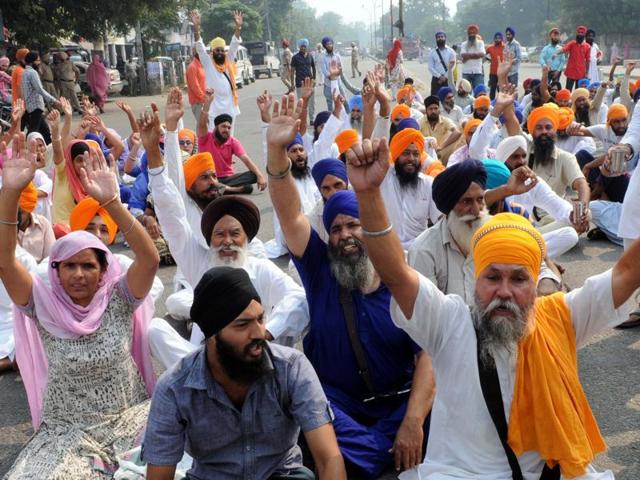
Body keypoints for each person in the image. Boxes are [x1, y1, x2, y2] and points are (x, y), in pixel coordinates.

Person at [345, 136, 638, 480]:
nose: (504, 292)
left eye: (518, 279)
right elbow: (396, 273)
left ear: (537, 282)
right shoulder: (449, 321)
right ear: (474, 279)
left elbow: (628, 272)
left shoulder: (561, 316)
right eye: (492, 277)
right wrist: (367, 195)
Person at [266, 95, 434, 478]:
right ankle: (382, 455)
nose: (345, 235)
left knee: (445, 409)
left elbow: (427, 353)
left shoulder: (399, 277)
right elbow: (290, 214)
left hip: (397, 404)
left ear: (369, 228)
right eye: (336, 227)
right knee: (313, 415)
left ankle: (380, 452)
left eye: (353, 225)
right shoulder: (320, 271)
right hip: (337, 405)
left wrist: (412, 421)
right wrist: (277, 154)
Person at [0, 133, 159, 478]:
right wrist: (11, 193)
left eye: (88, 265)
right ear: (54, 270)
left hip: (130, 419)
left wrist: (114, 203)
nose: (78, 274)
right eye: (68, 265)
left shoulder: (118, 298)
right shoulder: (42, 305)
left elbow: (149, 259)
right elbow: (5, 261)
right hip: (67, 433)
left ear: (104, 271)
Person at [142, 266, 347, 480]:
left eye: (260, 319)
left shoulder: (291, 368)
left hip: (282, 475)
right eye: (242, 325)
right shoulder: (174, 388)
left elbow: (328, 458)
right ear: (213, 334)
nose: (259, 333)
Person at [409, 160, 489, 303]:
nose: (476, 210)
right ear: (449, 207)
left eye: (480, 199)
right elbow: (427, 310)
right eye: (466, 201)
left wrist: (544, 279)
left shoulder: (495, 233)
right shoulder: (424, 250)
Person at [197, 89, 267, 192]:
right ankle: (232, 190)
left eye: (229, 128)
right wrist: (207, 104)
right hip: (209, 178)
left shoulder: (233, 142)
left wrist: (260, 176)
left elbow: (246, 160)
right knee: (205, 183)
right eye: (223, 127)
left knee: (253, 175)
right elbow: (202, 124)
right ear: (216, 127)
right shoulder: (206, 138)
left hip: (228, 179)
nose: (226, 130)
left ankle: (221, 190)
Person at [381, 127, 440, 248]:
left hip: (419, 251)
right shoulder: (383, 178)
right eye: (406, 153)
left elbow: (440, 221)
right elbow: (375, 147)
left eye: (416, 154)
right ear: (396, 155)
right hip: (387, 250)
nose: (411, 159)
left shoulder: (428, 184)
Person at [265, 133, 321, 258]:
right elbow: (270, 159)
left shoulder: (311, 175)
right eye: (293, 151)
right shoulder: (282, 180)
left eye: (301, 150)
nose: (299, 154)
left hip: (313, 227)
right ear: (286, 156)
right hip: (291, 233)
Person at [191, 9, 243, 128]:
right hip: (213, 111)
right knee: (214, 141)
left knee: (229, 140)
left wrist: (238, 27)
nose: (220, 52)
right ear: (212, 51)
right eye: (217, 50)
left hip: (230, 108)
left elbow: (234, 44)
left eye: (222, 50)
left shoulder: (228, 60)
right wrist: (196, 27)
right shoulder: (208, 62)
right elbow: (199, 46)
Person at [21, 52, 61, 144]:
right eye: (37, 60)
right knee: (33, 132)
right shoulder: (32, 72)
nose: (39, 63)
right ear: (32, 61)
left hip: (31, 106)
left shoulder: (25, 72)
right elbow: (40, 90)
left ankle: (52, 150)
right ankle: (27, 150)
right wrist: (54, 101)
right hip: (35, 106)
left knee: (45, 132)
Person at [16, 182, 55, 263]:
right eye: (12, 212)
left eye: (21, 213)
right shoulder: (4, 227)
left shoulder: (43, 224)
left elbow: (51, 258)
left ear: (29, 210)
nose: (16, 217)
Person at [419, 94, 462, 164]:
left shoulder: (444, 120)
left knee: (454, 136)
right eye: (430, 109)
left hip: (441, 152)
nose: (433, 111)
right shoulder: (421, 121)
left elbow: (457, 132)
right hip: (425, 154)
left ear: (439, 109)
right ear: (426, 110)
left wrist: (441, 147)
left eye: (435, 108)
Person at [291, 39, 316, 123]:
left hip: (310, 83)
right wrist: (292, 84)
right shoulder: (295, 58)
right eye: (301, 46)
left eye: (304, 46)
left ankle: (312, 119)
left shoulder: (310, 56)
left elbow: (313, 67)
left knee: (312, 102)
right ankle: (302, 119)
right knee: (301, 102)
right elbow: (292, 71)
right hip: (300, 83)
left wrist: (314, 78)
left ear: (306, 47)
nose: (303, 48)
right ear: (299, 47)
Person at [558, 26, 591, 91]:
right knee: (568, 90)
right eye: (578, 32)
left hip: (581, 73)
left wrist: (587, 73)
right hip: (571, 72)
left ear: (584, 34)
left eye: (582, 33)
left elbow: (588, 60)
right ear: (576, 33)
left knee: (578, 91)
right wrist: (556, 53)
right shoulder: (572, 43)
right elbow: (564, 49)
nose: (580, 34)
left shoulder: (587, 46)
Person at [320, 36, 346, 111]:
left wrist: (335, 73)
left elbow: (341, 69)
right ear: (325, 46)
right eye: (327, 44)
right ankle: (331, 119)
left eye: (331, 43)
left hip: (338, 83)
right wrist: (334, 74)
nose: (329, 45)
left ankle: (347, 118)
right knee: (329, 103)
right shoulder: (323, 58)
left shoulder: (337, 56)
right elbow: (325, 73)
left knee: (343, 100)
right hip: (328, 84)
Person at [460, 24, 485, 89]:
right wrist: (476, 55)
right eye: (470, 33)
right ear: (468, 34)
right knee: (465, 93)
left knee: (478, 92)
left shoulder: (480, 43)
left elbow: (482, 54)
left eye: (473, 33)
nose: (472, 35)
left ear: (476, 33)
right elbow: (463, 55)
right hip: (466, 71)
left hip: (477, 71)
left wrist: (467, 57)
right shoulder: (464, 44)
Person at [185, 49, 205, 121]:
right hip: (198, 103)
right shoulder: (192, 67)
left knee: (207, 126)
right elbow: (195, 87)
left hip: (203, 101)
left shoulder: (201, 65)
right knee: (202, 126)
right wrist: (204, 99)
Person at [485, 33, 505, 100]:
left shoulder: (505, 47)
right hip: (493, 72)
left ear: (502, 39)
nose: (497, 39)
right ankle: (491, 103)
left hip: (502, 72)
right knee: (492, 88)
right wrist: (488, 59)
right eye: (496, 38)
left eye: (499, 38)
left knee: (501, 89)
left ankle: (501, 102)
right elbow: (483, 54)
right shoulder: (490, 48)